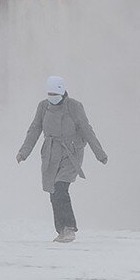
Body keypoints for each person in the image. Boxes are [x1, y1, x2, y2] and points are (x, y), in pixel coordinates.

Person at [17, 76, 107, 242]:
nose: (52, 96)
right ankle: (61, 230)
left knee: (60, 188)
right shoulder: (43, 107)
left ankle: (69, 228)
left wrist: (99, 153)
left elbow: (87, 130)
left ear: (62, 92)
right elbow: (34, 129)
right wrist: (24, 152)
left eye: (55, 93)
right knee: (53, 192)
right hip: (51, 154)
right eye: (49, 93)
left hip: (71, 153)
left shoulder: (74, 107)